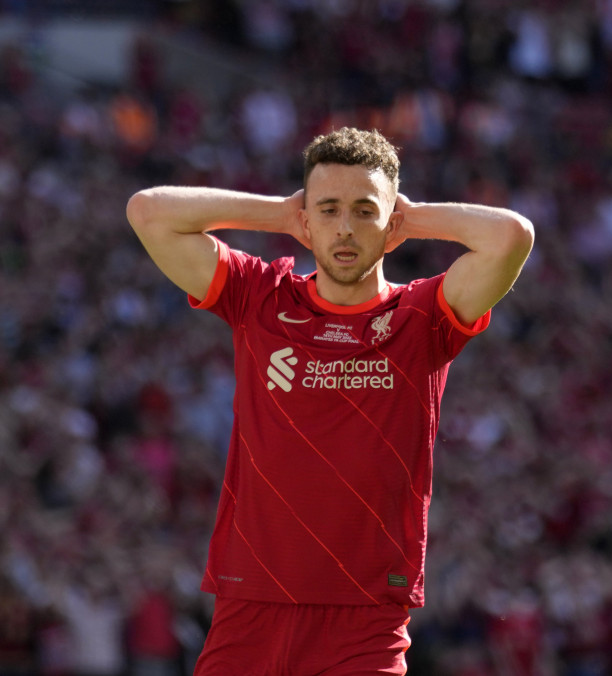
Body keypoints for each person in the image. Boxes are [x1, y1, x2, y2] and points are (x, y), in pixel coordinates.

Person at [125, 127, 534, 675]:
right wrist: (280, 213)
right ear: (307, 220)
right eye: (328, 210)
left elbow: (511, 236)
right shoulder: (260, 296)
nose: (345, 228)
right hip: (250, 607)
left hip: (365, 623)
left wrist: (411, 217)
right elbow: (148, 212)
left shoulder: (423, 317)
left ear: (392, 224)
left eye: (365, 211)